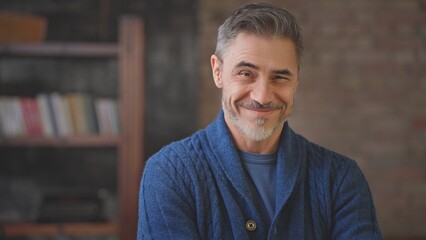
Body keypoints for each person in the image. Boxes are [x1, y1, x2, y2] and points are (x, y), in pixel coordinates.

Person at [138, 3, 383, 239]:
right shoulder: (169, 174)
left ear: (296, 80)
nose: (263, 96)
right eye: (246, 74)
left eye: (280, 77)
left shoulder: (340, 179)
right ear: (218, 72)